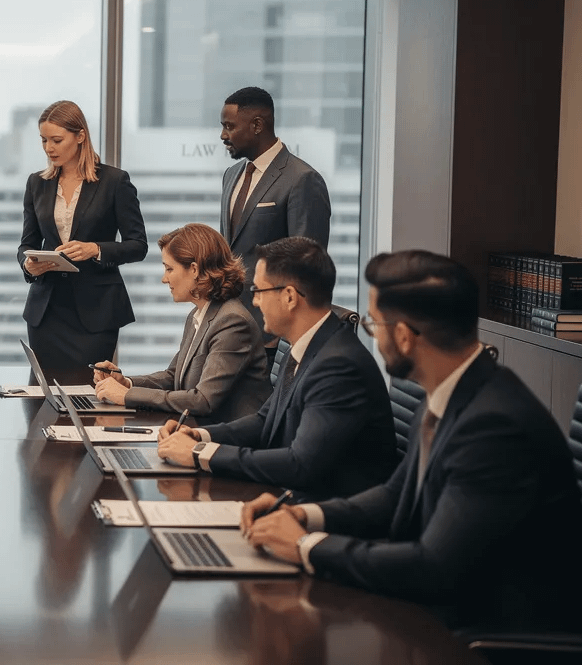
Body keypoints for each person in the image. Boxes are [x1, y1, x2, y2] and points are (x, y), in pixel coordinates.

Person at [242, 250, 582, 628]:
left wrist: (306, 546)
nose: (372, 335)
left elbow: (435, 567)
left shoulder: (494, 427)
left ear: (403, 336)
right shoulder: (449, 392)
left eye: (375, 324)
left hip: (483, 633)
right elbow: (395, 494)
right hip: (435, 607)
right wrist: (305, 516)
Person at [156, 237, 396, 500]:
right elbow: (265, 421)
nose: (255, 302)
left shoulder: (338, 365)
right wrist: (198, 435)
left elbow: (299, 464)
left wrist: (198, 453)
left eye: (258, 291)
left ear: (289, 296)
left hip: (326, 515)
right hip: (287, 498)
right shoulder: (308, 345)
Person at [92, 223, 272, 423]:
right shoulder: (200, 313)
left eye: (169, 269)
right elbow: (174, 376)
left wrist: (126, 396)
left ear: (194, 269)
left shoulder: (232, 322)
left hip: (226, 438)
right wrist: (127, 383)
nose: (164, 278)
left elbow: (203, 400)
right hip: (196, 428)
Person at [19, 100, 148, 371]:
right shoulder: (36, 183)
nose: (48, 148)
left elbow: (138, 245)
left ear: (80, 137)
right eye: (44, 140)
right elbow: (27, 244)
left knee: (91, 399)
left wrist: (96, 249)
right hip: (47, 313)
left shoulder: (114, 182)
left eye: (56, 140)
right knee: (45, 400)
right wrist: (29, 265)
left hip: (96, 313)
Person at [218, 86, 331, 359]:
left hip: (272, 337)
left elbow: (306, 267)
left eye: (229, 126)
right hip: (230, 328)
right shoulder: (231, 175)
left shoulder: (302, 179)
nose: (223, 136)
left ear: (257, 125)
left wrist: (279, 338)